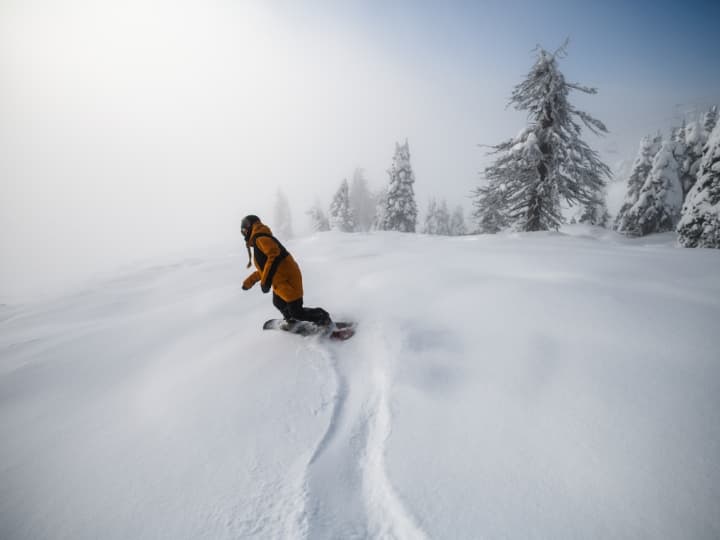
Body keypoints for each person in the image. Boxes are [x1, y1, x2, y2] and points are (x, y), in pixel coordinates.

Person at [240, 215, 332, 327]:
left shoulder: (261, 239)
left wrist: (266, 281)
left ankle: (322, 317)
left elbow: (274, 255)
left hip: (288, 278)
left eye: (244, 230)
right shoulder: (259, 242)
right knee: (278, 303)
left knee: (297, 311)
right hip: (280, 281)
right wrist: (249, 282)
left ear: (250, 227)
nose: (244, 234)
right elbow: (263, 270)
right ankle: (292, 321)